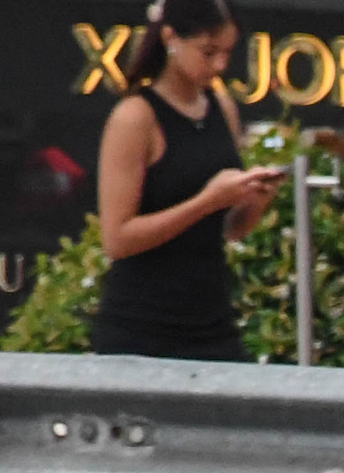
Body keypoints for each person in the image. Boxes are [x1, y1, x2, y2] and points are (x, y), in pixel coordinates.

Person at [90, 0, 281, 361]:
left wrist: (253, 200)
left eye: (226, 53)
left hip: (211, 317)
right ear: (171, 38)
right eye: (208, 52)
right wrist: (206, 202)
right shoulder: (135, 118)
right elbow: (117, 239)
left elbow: (229, 230)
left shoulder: (221, 108)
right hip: (142, 325)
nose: (219, 65)